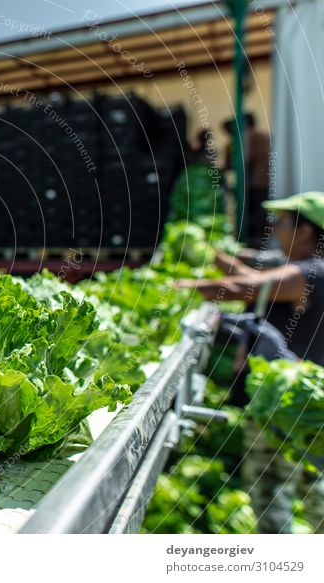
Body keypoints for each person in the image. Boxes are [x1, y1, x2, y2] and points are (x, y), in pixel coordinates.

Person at [176, 191, 324, 533]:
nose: (275, 230)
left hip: (300, 408)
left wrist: (181, 284)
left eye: (281, 223)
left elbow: (243, 287)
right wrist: (210, 254)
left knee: (308, 494)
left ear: (305, 232)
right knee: (273, 496)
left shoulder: (311, 273)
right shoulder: (301, 270)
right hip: (279, 403)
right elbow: (248, 277)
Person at [222, 113, 271, 247]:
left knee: (255, 213)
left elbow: (242, 160)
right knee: (260, 213)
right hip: (263, 181)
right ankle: (259, 240)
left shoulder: (249, 136)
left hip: (257, 182)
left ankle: (255, 242)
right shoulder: (261, 135)